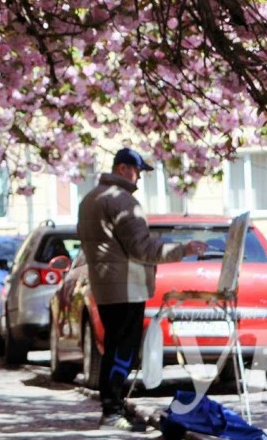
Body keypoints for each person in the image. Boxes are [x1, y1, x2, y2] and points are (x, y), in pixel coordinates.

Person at [78, 147, 206, 432]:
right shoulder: (122, 201)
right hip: (127, 286)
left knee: (113, 346)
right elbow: (141, 248)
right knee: (123, 349)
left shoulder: (90, 198)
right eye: (138, 172)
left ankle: (114, 405)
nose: (139, 179)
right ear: (123, 169)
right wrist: (183, 248)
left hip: (106, 284)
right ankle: (112, 411)